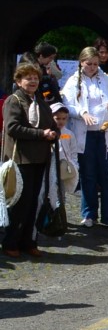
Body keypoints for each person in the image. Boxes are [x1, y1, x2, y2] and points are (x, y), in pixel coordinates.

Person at [61, 47, 108, 229]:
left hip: (106, 132)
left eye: (96, 64)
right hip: (85, 134)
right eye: (89, 64)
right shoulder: (73, 81)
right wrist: (83, 112)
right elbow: (68, 106)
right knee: (88, 175)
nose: (92, 67)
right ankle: (89, 214)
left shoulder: (107, 80)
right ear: (81, 62)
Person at [2, 64, 58, 258]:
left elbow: (51, 124)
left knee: (34, 202)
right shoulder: (14, 100)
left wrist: (54, 132)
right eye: (28, 78)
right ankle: (11, 242)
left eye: (35, 77)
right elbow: (12, 127)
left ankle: (28, 241)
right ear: (18, 81)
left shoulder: (40, 101)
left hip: (39, 159)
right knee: (20, 204)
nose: (33, 81)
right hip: (21, 159)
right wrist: (41, 134)